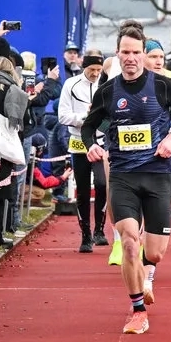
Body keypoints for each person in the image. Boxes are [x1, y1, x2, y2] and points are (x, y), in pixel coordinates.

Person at [81, 21, 171, 335]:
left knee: (155, 252)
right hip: (122, 176)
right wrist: (91, 145)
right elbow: (87, 126)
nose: (130, 58)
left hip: (158, 175)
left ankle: (149, 273)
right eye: (125, 52)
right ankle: (137, 309)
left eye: (136, 52)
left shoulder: (162, 86)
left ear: (145, 55)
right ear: (117, 54)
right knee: (131, 244)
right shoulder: (107, 91)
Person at [59, 53, 108, 253]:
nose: (95, 74)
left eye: (99, 70)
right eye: (92, 70)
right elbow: (62, 116)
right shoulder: (71, 84)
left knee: (102, 184)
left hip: (100, 142)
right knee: (83, 190)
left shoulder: (106, 85)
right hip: (79, 142)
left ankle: (99, 230)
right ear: (84, 68)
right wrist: (84, 118)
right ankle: (85, 234)